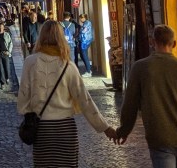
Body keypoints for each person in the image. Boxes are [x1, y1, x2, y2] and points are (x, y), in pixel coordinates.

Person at [17, 21, 116, 168]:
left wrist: (30, 113)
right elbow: (85, 100)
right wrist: (105, 127)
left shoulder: (30, 62)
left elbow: (23, 100)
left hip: (42, 130)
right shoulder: (68, 66)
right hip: (65, 130)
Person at [112, 24, 177, 168]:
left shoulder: (141, 68)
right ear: (174, 44)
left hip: (160, 139)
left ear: (152, 42)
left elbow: (130, 104)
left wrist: (123, 131)